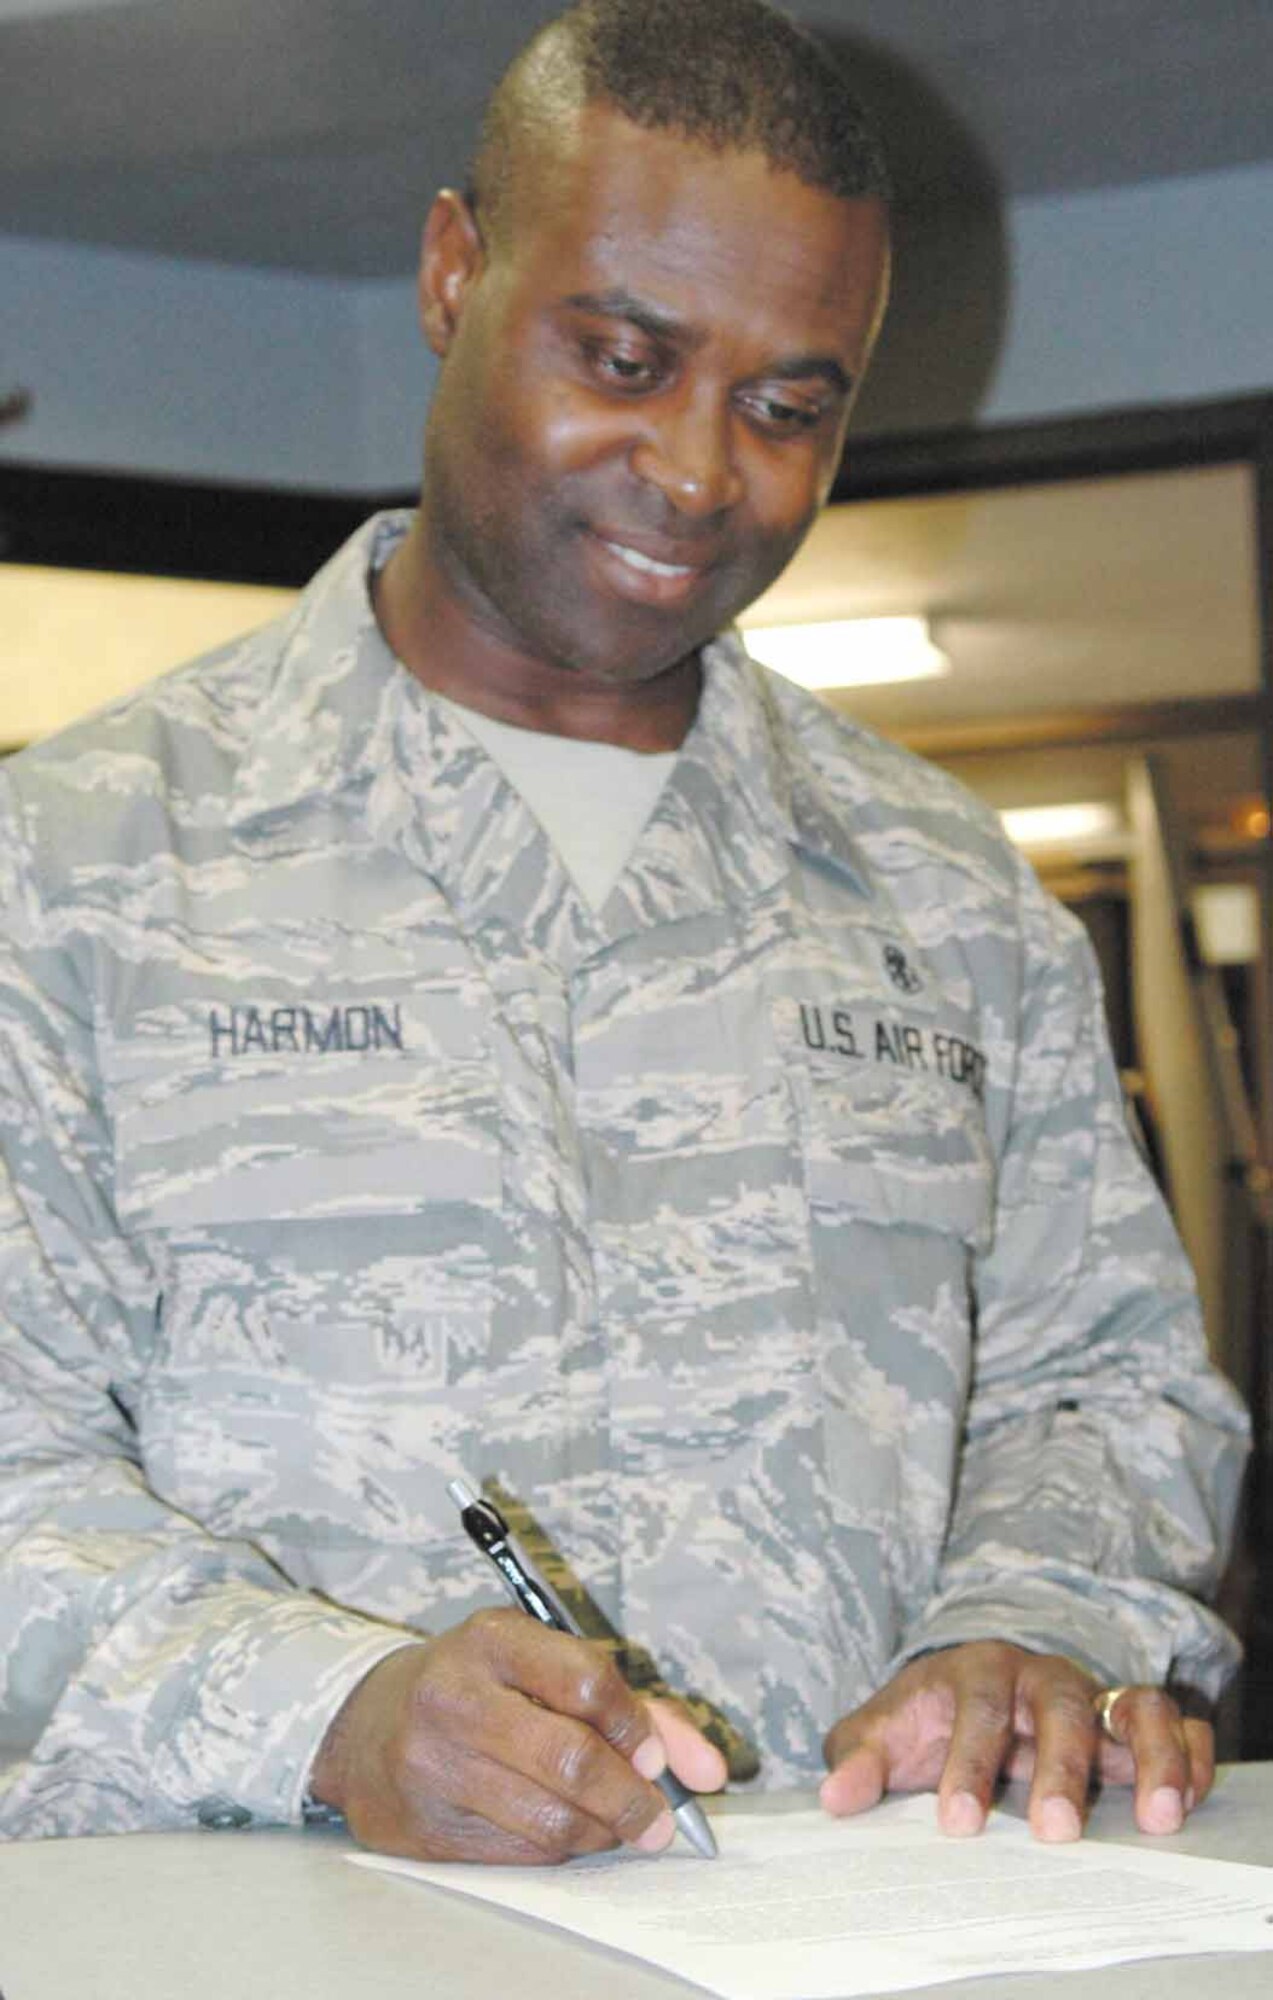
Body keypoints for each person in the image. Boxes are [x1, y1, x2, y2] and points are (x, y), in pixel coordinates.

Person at [0, 0, 1249, 1865]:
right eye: (624, 354)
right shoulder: (72, 866)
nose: (693, 470)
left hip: (863, 1945)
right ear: (451, 274)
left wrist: (1028, 1626)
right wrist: (328, 1708)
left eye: (785, 406)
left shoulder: (942, 888)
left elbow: (1106, 1383)